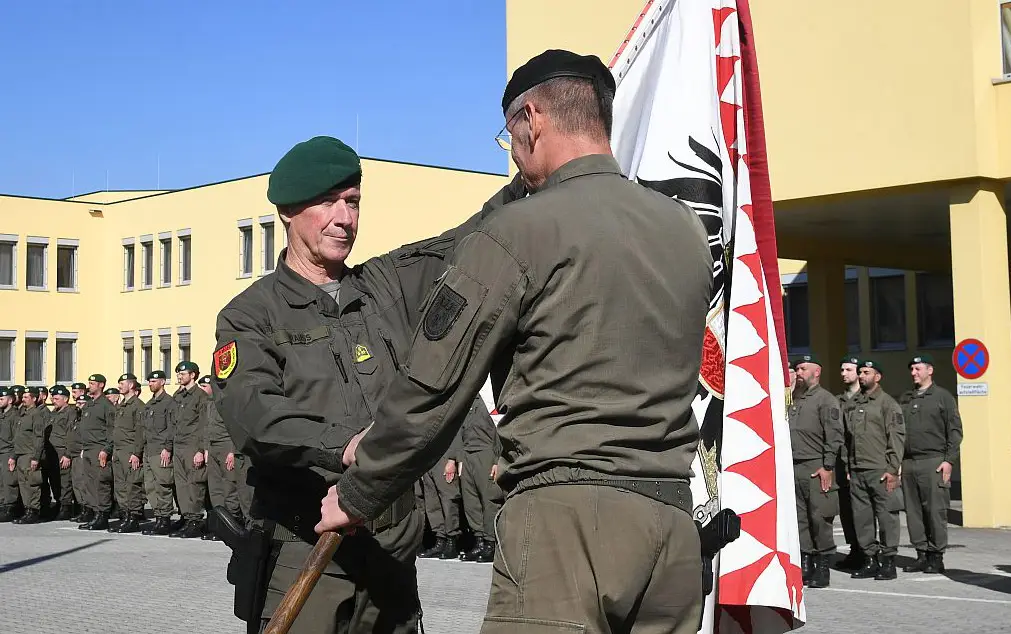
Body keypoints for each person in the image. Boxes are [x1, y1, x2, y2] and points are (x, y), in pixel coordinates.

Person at [318, 49, 712, 634]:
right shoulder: (686, 230)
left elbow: (434, 385)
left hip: (567, 526)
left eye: (510, 135)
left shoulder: (516, 232)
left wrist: (358, 491)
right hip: (674, 530)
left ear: (531, 119)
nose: (514, 150)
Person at [212, 134, 523, 634]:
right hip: (306, 547)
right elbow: (251, 411)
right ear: (288, 212)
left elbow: (472, 237)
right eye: (327, 203)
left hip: (391, 549)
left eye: (353, 202)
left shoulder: (386, 287)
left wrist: (531, 177)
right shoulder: (251, 315)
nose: (345, 218)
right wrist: (343, 445)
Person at [899, 354, 962, 574]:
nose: (914, 373)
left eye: (918, 368)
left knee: (935, 511)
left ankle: (936, 556)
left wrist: (948, 461)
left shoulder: (942, 397)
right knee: (913, 513)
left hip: (933, 461)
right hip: (909, 462)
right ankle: (921, 554)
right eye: (912, 369)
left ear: (930, 370)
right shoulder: (907, 398)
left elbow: (954, 432)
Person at [846, 359, 905, 581]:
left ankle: (888, 561)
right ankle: (870, 559)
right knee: (862, 518)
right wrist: (850, 465)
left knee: (887, 516)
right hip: (858, 469)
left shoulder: (887, 404)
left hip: (880, 470)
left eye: (866, 372)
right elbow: (848, 438)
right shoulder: (853, 403)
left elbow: (897, 438)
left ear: (877, 377)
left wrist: (892, 469)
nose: (861, 376)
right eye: (860, 372)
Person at [788, 354, 843, 588]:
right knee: (800, 520)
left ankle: (822, 567)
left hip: (816, 466)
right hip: (794, 466)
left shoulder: (825, 400)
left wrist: (828, 466)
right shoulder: (793, 398)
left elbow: (834, 435)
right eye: (797, 368)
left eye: (803, 368)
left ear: (816, 372)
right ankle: (806, 563)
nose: (799, 372)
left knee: (819, 519)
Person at [198, 374, 251, 536]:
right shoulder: (210, 404)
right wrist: (206, 448)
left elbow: (234, 428)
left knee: (230, 487)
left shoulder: (228, 402)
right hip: (213, 447)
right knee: (215, 488)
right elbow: (206, 427)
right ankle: (221, 525)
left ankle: (234, 523)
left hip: (226, 445)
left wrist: (232, 451)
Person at [457, 395, 502, 562]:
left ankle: (491, 543)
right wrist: (460, 457)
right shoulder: (468, 399)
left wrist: (498, 459)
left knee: (489, 500)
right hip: (468, 453)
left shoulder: (490, 398)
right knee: (471, 501)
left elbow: (500, 427)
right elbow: (460, 431)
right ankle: (479, 542)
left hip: (486, 452)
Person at [171, 360, 209, 539]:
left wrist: (201, 449)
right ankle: (187, 518)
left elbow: (204, 424)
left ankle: (195, 520)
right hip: (178, 445)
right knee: (182, 485)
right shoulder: (178, 396)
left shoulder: (200, 396)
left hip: (193, 446)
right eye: (178, 373)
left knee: (194, 484)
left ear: (193, 375)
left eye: (183, 373)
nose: (179, 376)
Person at [141, 370, 178, 536]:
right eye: (149, 382)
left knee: (163, 486)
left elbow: (172, 427)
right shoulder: (149, 404)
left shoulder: (169, 403)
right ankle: (158, 517)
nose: (151, 384)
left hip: (161, 450)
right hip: (149, 450)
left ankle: (165, 520)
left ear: (162, 382)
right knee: (150, 486)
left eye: (154, 381)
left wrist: (168, 448)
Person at [835, 355, 863, 570]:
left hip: (862, 464)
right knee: (846, 510)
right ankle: (854, 549)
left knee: (864, 511)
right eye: (842, 370)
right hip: (842, 464)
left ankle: (867, 552)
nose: (844, 373)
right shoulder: (838, 401)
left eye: (849, 370)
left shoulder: (867, 399)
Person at [78, 374, 117, 530]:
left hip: (99, 449)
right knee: (89, 484)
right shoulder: (88, 405)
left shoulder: (107, 406)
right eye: (89, 383)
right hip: (87, 449)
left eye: (93, 383)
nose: (90, 386)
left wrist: (106, 449)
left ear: (101, 385)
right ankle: (95, 513)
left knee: (101, 483)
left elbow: (112, 430)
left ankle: (103, 515)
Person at [110, 373, 146, 533]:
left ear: (131, 385)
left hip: (130, 450)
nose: (119, 386)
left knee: (132, 485)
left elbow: (140, 432)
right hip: (118, 450)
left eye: (122, 383)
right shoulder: (121, 405)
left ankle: (134, 517)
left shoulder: (137, 406)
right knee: (120, 485)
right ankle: (124, 515)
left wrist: (136, 453)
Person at [12, 387, 47, 524]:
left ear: (34, 398)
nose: (23, 399)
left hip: (30, 454)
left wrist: (36, 457)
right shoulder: (23, 414)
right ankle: (27, 510)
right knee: (23, 484)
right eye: (23, 397)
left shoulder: (36, 415)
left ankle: (33, 511)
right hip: (21, 455)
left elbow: (39, 437)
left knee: (32, 484)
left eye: (26, 397)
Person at [47, 385, 78, 521]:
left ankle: (66, 507)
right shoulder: (54, 412)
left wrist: (67, 454)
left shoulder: (70, 413)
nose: (54, 401)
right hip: (52, 453)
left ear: (65, 399)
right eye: (53, 398)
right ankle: (59, 503)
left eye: (57, 398)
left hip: (62, 452)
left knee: (65, 481)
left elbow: (72, 435)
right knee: (54, 480)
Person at [0, 386, 21, 522]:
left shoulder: (15, 416)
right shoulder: (1, 414)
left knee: (9, 482)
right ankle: (2, 505)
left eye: (1, 398)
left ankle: (10, 508)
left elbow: (17, 438)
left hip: (8, 451)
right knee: (1, 481)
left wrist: (13, 455)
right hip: (1, 450)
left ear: (10, 400)